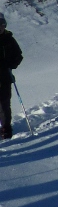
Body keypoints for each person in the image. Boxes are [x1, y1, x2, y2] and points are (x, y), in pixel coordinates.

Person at [0, 12, 24, 140]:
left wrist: (10, 64)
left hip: (4, 77)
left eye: (1, 24)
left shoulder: (9, 39)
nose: (0, 27)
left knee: (4, 104)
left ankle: (6, 128)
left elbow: (18, 55)